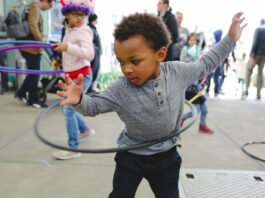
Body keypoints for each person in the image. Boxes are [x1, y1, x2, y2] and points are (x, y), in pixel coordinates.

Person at [57, 12, 245, 197]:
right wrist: (80, 100)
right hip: (130, 155)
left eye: (135, 61)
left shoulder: (177, 73)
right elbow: (94, 106)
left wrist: (230, 39)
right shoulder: (121, 88)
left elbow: (206, 64)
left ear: (160, 54)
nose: (127, 69)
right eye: (122, 62)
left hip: (166, 156)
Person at [52, 0, 96, 160]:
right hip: (70, 75)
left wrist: (67, 47)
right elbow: (69, 51)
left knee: (69, 110)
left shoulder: (84, 30)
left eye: (83, 15)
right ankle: (85, 130)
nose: (80, 18)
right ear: (67, 15)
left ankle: (73, 147)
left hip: (81, 76)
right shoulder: (69, 30)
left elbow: (89, 54)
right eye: (76, 14)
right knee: (67, 109)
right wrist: (62, 55)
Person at [14, 0, 54, 108]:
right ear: (45, 1)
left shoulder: (34, 7)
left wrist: (41, 34)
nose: (49, 8)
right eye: (50, 5)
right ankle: (33, 99)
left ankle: (21, 93)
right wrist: (40, 42)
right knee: (34, 74)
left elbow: (33, 25)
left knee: (33, 73)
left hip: (27, 45)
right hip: (30, 47)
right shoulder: (35, 7)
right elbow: (32, 25)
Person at [180, 33, 214, 133]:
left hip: (198, 85)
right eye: (191, 40)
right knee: (196, 110)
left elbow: (202, 66)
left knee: (205, 110)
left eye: (194, 40)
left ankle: (202, 125)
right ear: (188, 41)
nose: (193, 42)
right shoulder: (185, 49)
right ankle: (182, 118)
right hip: (190, 86)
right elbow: (182, 63)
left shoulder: (199, 50)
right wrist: (190, 60)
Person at [243, 18, 265, 100]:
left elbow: (255, 41)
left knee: (248, 70)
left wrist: (251, 54)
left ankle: (246, 90)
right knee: (260, 74)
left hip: (256, 54)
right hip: (264, 56)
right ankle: (258, 94)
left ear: (260, 22)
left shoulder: (258, 29)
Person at [87, 13, 102, 92]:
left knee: (95, 70)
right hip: (94, 53)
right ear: (94, 20)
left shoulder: (93, 28)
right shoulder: (90, 28)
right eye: (97, 19)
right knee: (93, 70)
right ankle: (89, 88)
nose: (98, 21)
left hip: (96, 52)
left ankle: (91, 87)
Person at [0, 15, 8, 95]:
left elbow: (8, 33)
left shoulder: (2, 19)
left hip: (2, 47)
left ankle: (5, 87)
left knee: (3, 67)